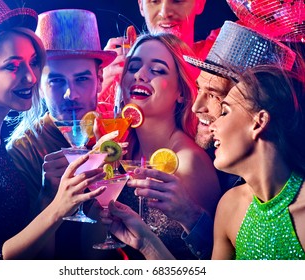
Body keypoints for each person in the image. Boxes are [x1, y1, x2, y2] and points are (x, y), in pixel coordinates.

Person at [103, 21, 299, 260]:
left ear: (259, 118)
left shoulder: (203, 164)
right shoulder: (232, 201)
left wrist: (189, 216)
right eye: (199, 90)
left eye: (217, 98)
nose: (197, 106)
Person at [0, 0, 106, 260]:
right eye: (13, 66)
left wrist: (47, 195)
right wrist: (58, 207)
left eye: (33, 62)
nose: (31, 77)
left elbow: (28, 247)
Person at [6, 9, 122, 259]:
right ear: (38, 83)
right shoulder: (22, 149)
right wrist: (48, 197)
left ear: (100, 79)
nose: (71, 94)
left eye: (82, 79)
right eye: (56, 81)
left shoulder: (117, 135)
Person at [116, 32, 221, 260]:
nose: (140, 75)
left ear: (181, 92)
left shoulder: (188, 162)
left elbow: (216, 255)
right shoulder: (120, 151)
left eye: (157, 70)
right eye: (133, 67)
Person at [210, 64, 305, 259]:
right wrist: (147, 244)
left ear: (259, 122)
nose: (213, 125)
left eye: (225, 112)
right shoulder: (230, 207)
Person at [98, 0, 218, 112]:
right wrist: (95, 88)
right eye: (154, 1)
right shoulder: (119, 74)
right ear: (141, 5)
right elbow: (85, 127)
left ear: (200, 3)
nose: (164, 13)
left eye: (177, 0)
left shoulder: (218, 53)